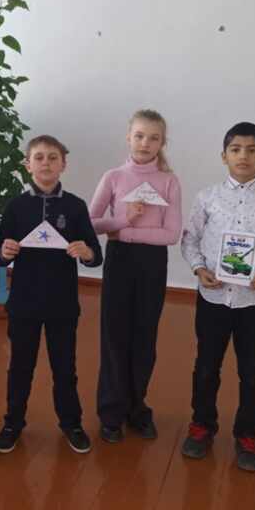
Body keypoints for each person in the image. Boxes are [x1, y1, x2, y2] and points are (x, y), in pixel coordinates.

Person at [179, 122, 255, 472]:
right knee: (206, 366)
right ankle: (202, 425)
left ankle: (248, 434)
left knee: (253, 370)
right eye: (235, 149)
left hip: (254, 303)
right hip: (213, 298)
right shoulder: (207, 198)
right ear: (224, 156)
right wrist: (199, 268)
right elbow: (189, 239)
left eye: (251, 150)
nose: (243, 156)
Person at [0, 135, 102, 454]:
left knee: (65, 368)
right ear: (27, 165)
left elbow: (96, 255)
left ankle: (71, 423)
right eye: (39, 157)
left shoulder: (75, 206)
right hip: (23, 303)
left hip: (62, 304)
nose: (45, 163)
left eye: (53, 157)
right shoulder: (15, 206)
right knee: (20, 367)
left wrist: (86, 252)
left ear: (63, 164)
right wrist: (4, 251)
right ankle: (13, 423)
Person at [89, 109, 182, 441]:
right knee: (114, 335)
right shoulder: (113, 177)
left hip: (152, 264)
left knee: (144, 336)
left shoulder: (169, 181)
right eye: (140, 136)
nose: (145, 143)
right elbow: (91, 223)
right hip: (119, 261)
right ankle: (111, 413)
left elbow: (171, 234)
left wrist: (125, 232)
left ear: (162, 142)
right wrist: (122, 220)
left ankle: (136, 409)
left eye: (154, 138)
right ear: (129, 137)